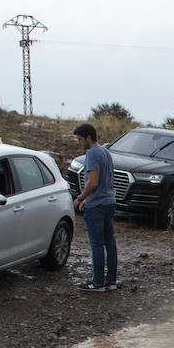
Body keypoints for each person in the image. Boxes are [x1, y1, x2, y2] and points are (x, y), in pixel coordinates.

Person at [73, 123, 118, 291]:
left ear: (88, 137)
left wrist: (80, 198)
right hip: (108, 201)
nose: (78, 143)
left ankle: (97, 282)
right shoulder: (106, 152)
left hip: (97, 206)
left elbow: (93, 183)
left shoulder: (92, 154)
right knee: (109, 242)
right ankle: (111, 280)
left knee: (97, 244)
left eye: (79, 139)